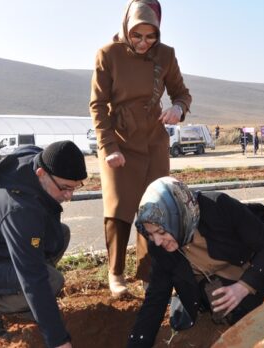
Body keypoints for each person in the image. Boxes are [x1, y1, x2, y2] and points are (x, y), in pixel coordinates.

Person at [127, 177, 264, 347]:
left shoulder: (218, 207)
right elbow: (156, 298)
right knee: (235, 312)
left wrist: (244, 286)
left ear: (180, 217)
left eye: (161, 232)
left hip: (253, 254)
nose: (158, 241)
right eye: (151, 234)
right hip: (216, 274)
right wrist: (137, 344)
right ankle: (191, 300)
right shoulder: (158, 247)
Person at [90, 0, 192, 297]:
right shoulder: (108, 55)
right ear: (126, 28)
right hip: (118, 139)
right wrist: (109, 146)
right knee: (119, 208)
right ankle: (116, 273)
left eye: (150, 36)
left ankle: (149, 274)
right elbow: (97, 105)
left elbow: (182, 93)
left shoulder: (166, 55)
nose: (144, 42)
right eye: (137, 35)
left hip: (154, 140)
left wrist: (177, 108)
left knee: (154, 209)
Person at [0, 141, 87, 348]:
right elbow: (34, 277)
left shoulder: (34, 160)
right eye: (65, 188)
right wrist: (58, 341)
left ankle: (22, 301)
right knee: (49, 281)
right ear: (41, 173)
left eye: (75, 188)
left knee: (60, 235)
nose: (69, 196)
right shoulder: (19, 209)